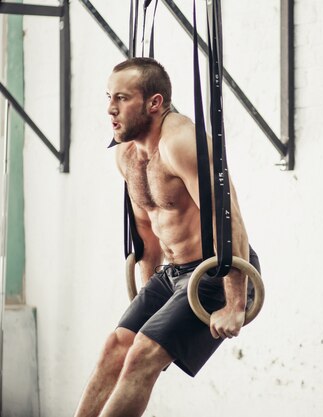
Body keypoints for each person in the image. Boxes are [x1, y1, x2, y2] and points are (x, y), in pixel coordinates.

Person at [74, 57, 259, 417]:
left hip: (215, 270)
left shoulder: (182, 142)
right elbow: (146, 230)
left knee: (141, 354)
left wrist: (234, 304)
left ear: (154, 103)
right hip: (173, 275)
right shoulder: (128, 154)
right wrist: (149, 292)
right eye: (109, 97)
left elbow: (228, 219)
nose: (111, 109)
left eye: (122, 99)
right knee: (116, 348)